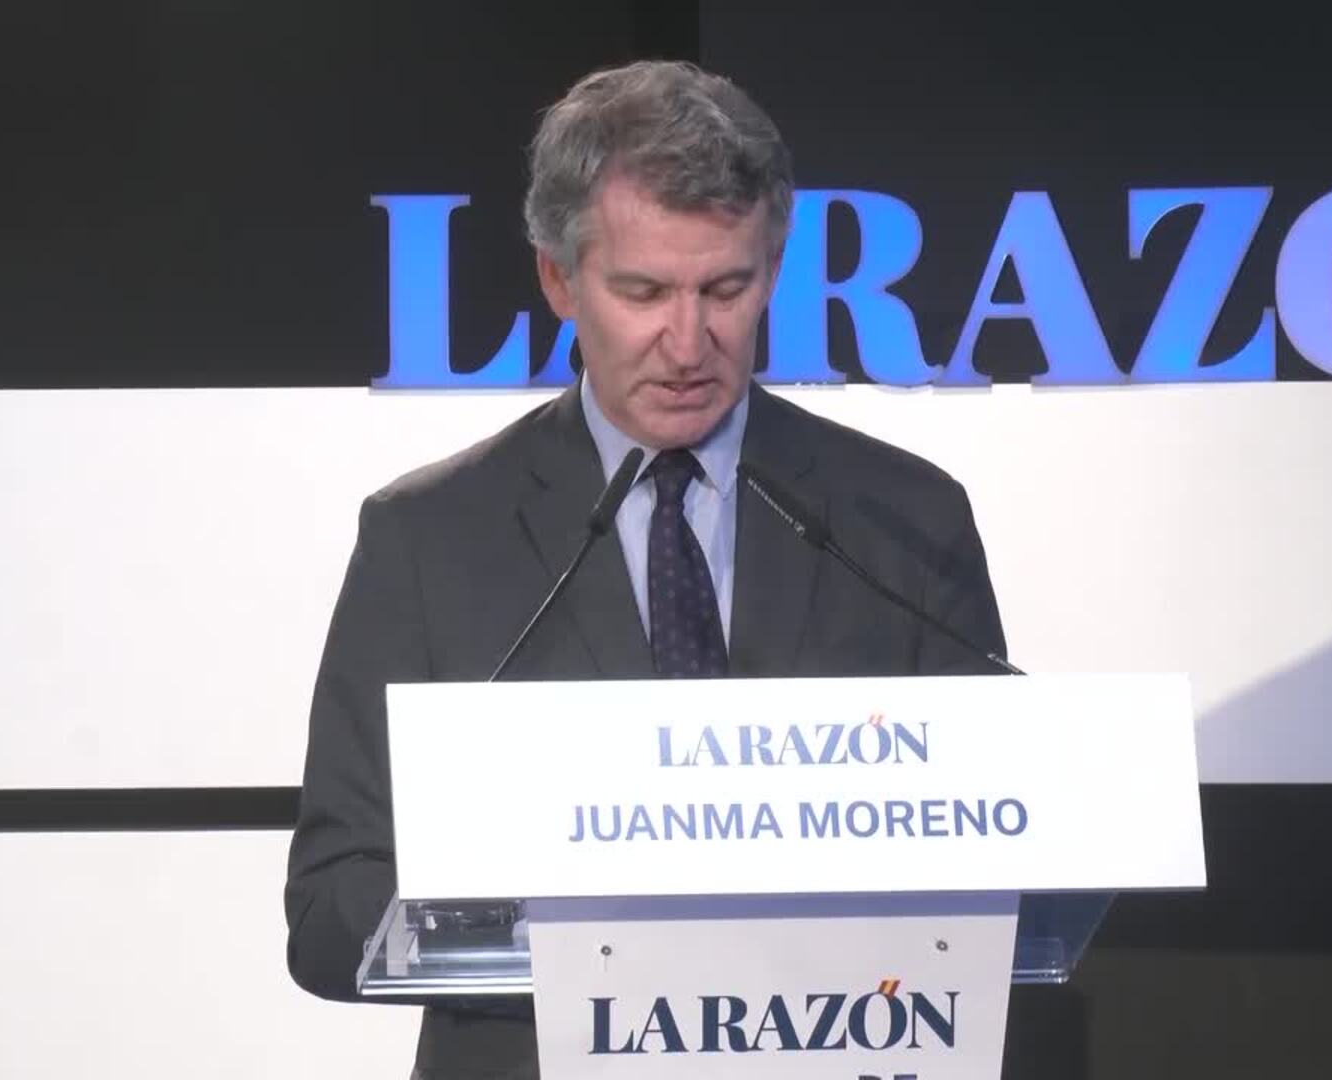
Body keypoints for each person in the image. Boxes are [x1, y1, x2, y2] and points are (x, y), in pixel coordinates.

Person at [285, 59, 1007, 1079]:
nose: (688, 341)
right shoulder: (426, 539)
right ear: (559, 280)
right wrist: (576, 932)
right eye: (644, 292)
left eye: (726, 289)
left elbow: (997, 864)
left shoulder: (904, 523)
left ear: (774, 267)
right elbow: (328, 910)